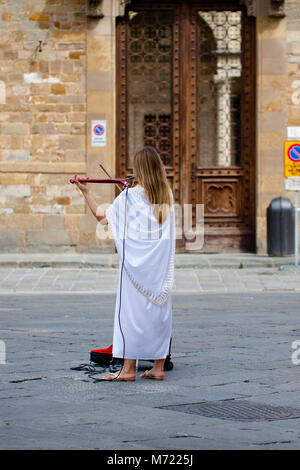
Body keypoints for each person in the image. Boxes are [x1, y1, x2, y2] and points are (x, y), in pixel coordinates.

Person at [73, 147, 175, 381]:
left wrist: (86, 192)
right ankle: (158, 367)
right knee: (160, 314)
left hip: (135, 269)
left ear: (138, 169)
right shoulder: (166, 194)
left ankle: (128, 370)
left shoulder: (130, 196)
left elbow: (102, 216)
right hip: (160, 269)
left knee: (131, 315)